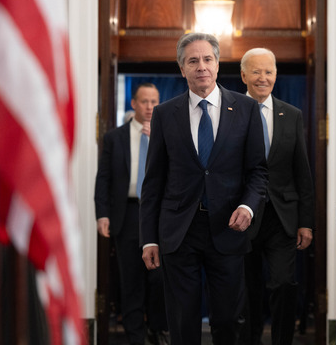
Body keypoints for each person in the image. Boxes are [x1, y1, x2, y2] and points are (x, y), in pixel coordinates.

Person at [139, 32, 268, 345]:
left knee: (228, 319)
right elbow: (153, 181)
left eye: (207, 59)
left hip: (228, 227)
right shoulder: (165, 114)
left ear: (218, 63)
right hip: (179, 230)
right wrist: (149, 239)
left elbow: (258, 172)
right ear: (182, 69)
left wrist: (248, 206)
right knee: (182, 321)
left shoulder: (246, 110)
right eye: (192, 61)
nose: (201, 67)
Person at [237, 48, 314, 345]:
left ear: (276, 75)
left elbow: (302, 171)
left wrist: (306, 222)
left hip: (282, 217)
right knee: (247, 288)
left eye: (268, 71)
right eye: (256, 71)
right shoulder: (230, 112)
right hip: (241, 217)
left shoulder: (291, 114)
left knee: (283, 283)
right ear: (244, 75)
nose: (263, 78)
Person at [94, 83, 169, 345]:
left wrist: (158, 138)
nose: (150, 107)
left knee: (159, 277)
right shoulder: (115, 137)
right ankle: (135, 337)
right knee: (131, 280)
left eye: (154, 102)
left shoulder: (168, 134)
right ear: (134, 104)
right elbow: (103, 178)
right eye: (145, 102)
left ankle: (157, 328)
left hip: (159, 215)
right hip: (126, 214)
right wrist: (102, 214)